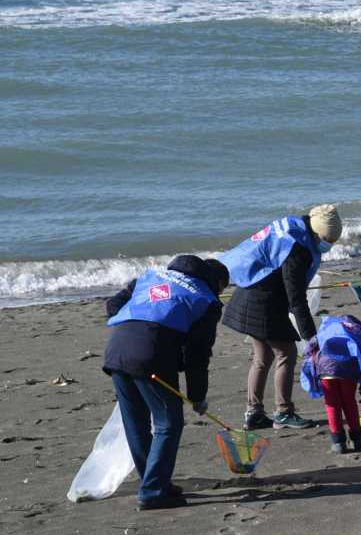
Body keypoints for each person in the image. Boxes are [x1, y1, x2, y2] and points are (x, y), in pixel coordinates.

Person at [101, 255, 230, 510]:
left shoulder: (150, 277)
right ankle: (153, 491)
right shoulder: (208, 300)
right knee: (169, 423)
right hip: (150, 358)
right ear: (216, 283)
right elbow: (197, 354)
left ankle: (154, 482)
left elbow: (112, 305)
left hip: (116, 350)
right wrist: (197, 396)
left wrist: (139, 327)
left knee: (136, 422)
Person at [219, 204, 343, 431]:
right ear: (316, 232)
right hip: (261, 301)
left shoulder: (294, 229)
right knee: (286, 352)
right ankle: (284, 412)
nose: (328, 245)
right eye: (327, 239)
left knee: (262, 356)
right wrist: (311, 339)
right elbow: (295, 298)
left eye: (333, 241)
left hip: (249, 293)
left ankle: (253, 413)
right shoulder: (298, 249)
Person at [300, 313, 361, 455]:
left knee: (332, 404)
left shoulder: (326, 329)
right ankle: (357, 440)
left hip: (325, 370)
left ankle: (338, 442)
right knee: (349, 403)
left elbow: (309, 348)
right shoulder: (357, 334)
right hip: (348, 370)